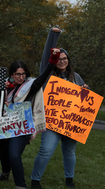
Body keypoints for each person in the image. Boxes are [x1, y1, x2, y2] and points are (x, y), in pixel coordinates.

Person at [0, 47, 61, 189]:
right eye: (18, 74)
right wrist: (0, 92)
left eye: (23, 74)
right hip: (2, 125)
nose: (21, 77)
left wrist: (53, 59)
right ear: (12, 74)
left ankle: (21, 185)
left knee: (14, 155)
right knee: (3, 153)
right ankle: (5, 174)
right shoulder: (3, 85)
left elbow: (45, 74)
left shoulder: (31, 85)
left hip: (21, 127)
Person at [30, 27, 88, 189]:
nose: (62, 61)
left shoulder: (75, 77)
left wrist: (85, 91)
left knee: (69, 152)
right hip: (52, 123)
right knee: (46, 151)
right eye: (59, 58)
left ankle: (69, 180)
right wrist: (53, 35)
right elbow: (45, 59)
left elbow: (84, 101)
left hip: (71, 123)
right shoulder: (47, 75)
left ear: (68, 60)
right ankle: (35, 181)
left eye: (65, 58)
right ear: (54, 61)